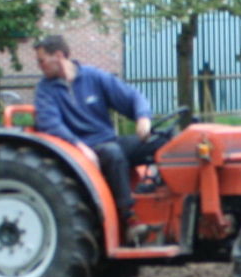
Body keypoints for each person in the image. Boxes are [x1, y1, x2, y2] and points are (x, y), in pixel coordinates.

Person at [32, 35, 154, 225]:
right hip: (80, 148)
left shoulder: (93, 77)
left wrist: (143, 117)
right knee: (113, 153)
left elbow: (131, 96)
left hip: (109, 139)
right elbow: (51, 125)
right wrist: (80, 146)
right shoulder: (45, 90)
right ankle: (128, 218)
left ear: (58, 55)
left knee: (162, 142)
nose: (39, 66)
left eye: (42, 60)